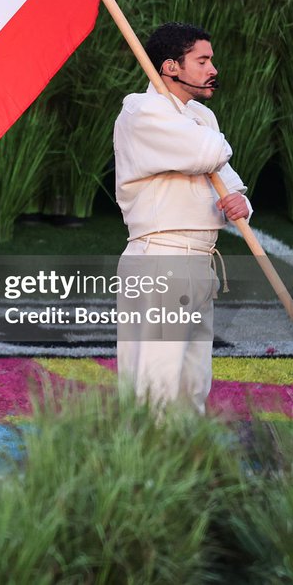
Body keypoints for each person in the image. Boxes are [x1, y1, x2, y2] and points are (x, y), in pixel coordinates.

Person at [112, 22, 251, 416]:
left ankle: (187, 466)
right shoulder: (141, 110)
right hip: (160, 257)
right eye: (202, 60)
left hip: (199, 263)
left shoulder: (200, 116)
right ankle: (142, 473)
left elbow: (227, 180)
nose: (213, 69)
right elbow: (209, 153)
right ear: (171, 67)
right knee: (154, 383)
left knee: (192, 384)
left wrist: (241, 202)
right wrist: (207, 141)